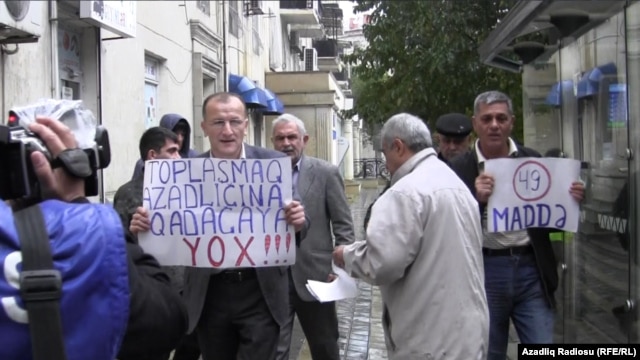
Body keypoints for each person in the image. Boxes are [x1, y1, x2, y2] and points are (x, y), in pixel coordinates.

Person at [129, 92, 308, 360]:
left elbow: (301, 224)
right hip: (210, 294)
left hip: (261, 291)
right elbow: (167, 228)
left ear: (245, 125)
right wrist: (142, 227)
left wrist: (297, 221)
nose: (227, 131)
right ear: (203, 127)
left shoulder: (272, 165)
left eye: (235, 122)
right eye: (218, 123)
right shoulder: (185, 172)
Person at [0, 117, 188, 360]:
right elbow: (166, 319)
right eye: (172, 151)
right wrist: (78, 206)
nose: (179, 158)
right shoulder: (96, 230)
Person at [332, 113, 489, 359]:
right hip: (468, 334)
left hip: (428, 338)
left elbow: (381, 263)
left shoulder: (404, 192)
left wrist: (347, 255)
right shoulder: (454, 182)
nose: (386, 163)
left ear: (398, 146)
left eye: (385, 154)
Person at [448, 91, 584, 359]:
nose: (494, 125)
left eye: (501, 118)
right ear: (476, 123)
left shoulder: (532, 159)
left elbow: (551, 224)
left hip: (531, 271)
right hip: (485, 271)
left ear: (512, 122)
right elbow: (450, 225)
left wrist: (573, 199)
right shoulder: (458, 169)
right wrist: (478, 201)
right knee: (489, 352)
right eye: (487, 119)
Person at [271, 114, 355, 360]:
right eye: (280, 138)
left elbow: (344, 226)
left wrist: (340, 270)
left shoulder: (326, 173)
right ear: (272, 141)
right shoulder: (262, 176)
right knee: (275, 348)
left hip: (316, 276)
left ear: (304, 139)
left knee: (325, 346)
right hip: (273, 277)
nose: (286, 143)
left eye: (292, 137)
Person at [114, 127, 181, 242]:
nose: (178, 157)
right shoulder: (127, 193)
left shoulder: (186, 189)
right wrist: (133, 233)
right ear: (152, 155)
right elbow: (117, 244)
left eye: (178, 151)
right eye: (172, 151)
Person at [131, 113, 197, 180]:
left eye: (183, 134)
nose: (180, 139)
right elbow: (135, 187)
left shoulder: (195, 157)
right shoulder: (142, 164)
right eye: (176, 133)